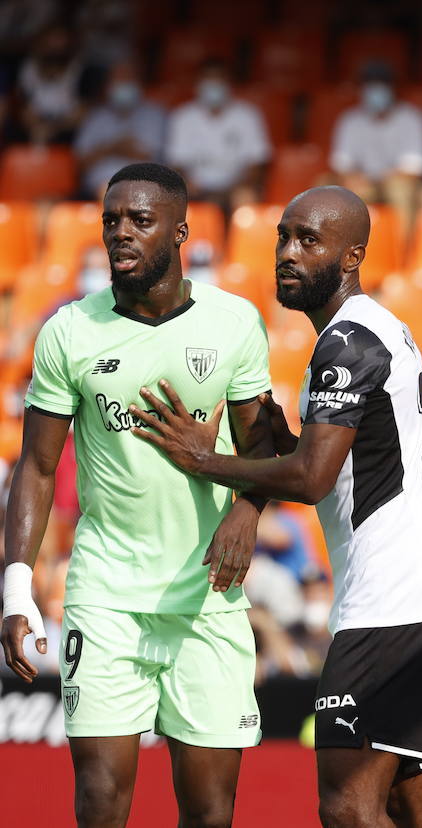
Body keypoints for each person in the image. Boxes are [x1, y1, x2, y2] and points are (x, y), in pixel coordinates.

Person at [128, 185, 422, 828]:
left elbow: (311, 479)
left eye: (309, 240)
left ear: (352, 254)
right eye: (283, 236)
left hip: (387, 607)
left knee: (345, 805)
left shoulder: (347, 342)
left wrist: (204, 460)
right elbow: (339, 464)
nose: (287, 252)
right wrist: (272, 444)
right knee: (411, 804)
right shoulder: (377, 331)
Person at [0, 162, 275, 827]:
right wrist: (16, 589)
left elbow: (265, 445)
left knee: (210, 811)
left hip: (208, 598)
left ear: (181, 231)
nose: (120, 233)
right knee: (100, 801)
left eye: (140, 220)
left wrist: (246, 509)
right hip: (105, 596)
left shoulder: (234, 323)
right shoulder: (69, 331)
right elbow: (36, 467)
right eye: (111, 221)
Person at [166, 58, 271, 212]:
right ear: (198, 83)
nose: (213, 84)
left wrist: (236, 187)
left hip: (234, 188)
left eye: (218, 78)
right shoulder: (182, 116)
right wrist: (188, 182)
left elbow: (257, 162)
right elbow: (176, 162)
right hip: (197, 190)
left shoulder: (248, 115)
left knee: (245, 196)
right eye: (208, 78)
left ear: (229, 83)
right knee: (177, 193)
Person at [330, 61, 422, 223]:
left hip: (396, 182)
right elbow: (342, 164)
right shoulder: (350, 120)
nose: (375, 91)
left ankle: (401, 247)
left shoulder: (412, 118)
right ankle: (352, 247)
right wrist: (356, 179)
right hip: (363, 181)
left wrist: (381, 179)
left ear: (393, 88)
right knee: (343, 189)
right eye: (370, 85)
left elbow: (414, 168)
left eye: (381, 85)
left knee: (399, 189)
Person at [74, 59, 166, 198]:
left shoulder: (154, 115)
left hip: (144, 192)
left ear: (139, 84)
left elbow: (147, 156)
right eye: (119, 80)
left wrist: (104, 150)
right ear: (107, 86)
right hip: (95, 191)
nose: (123, 85)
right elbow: (82, 163)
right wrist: (116, 147)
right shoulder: (95, 117)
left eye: (128, 80)